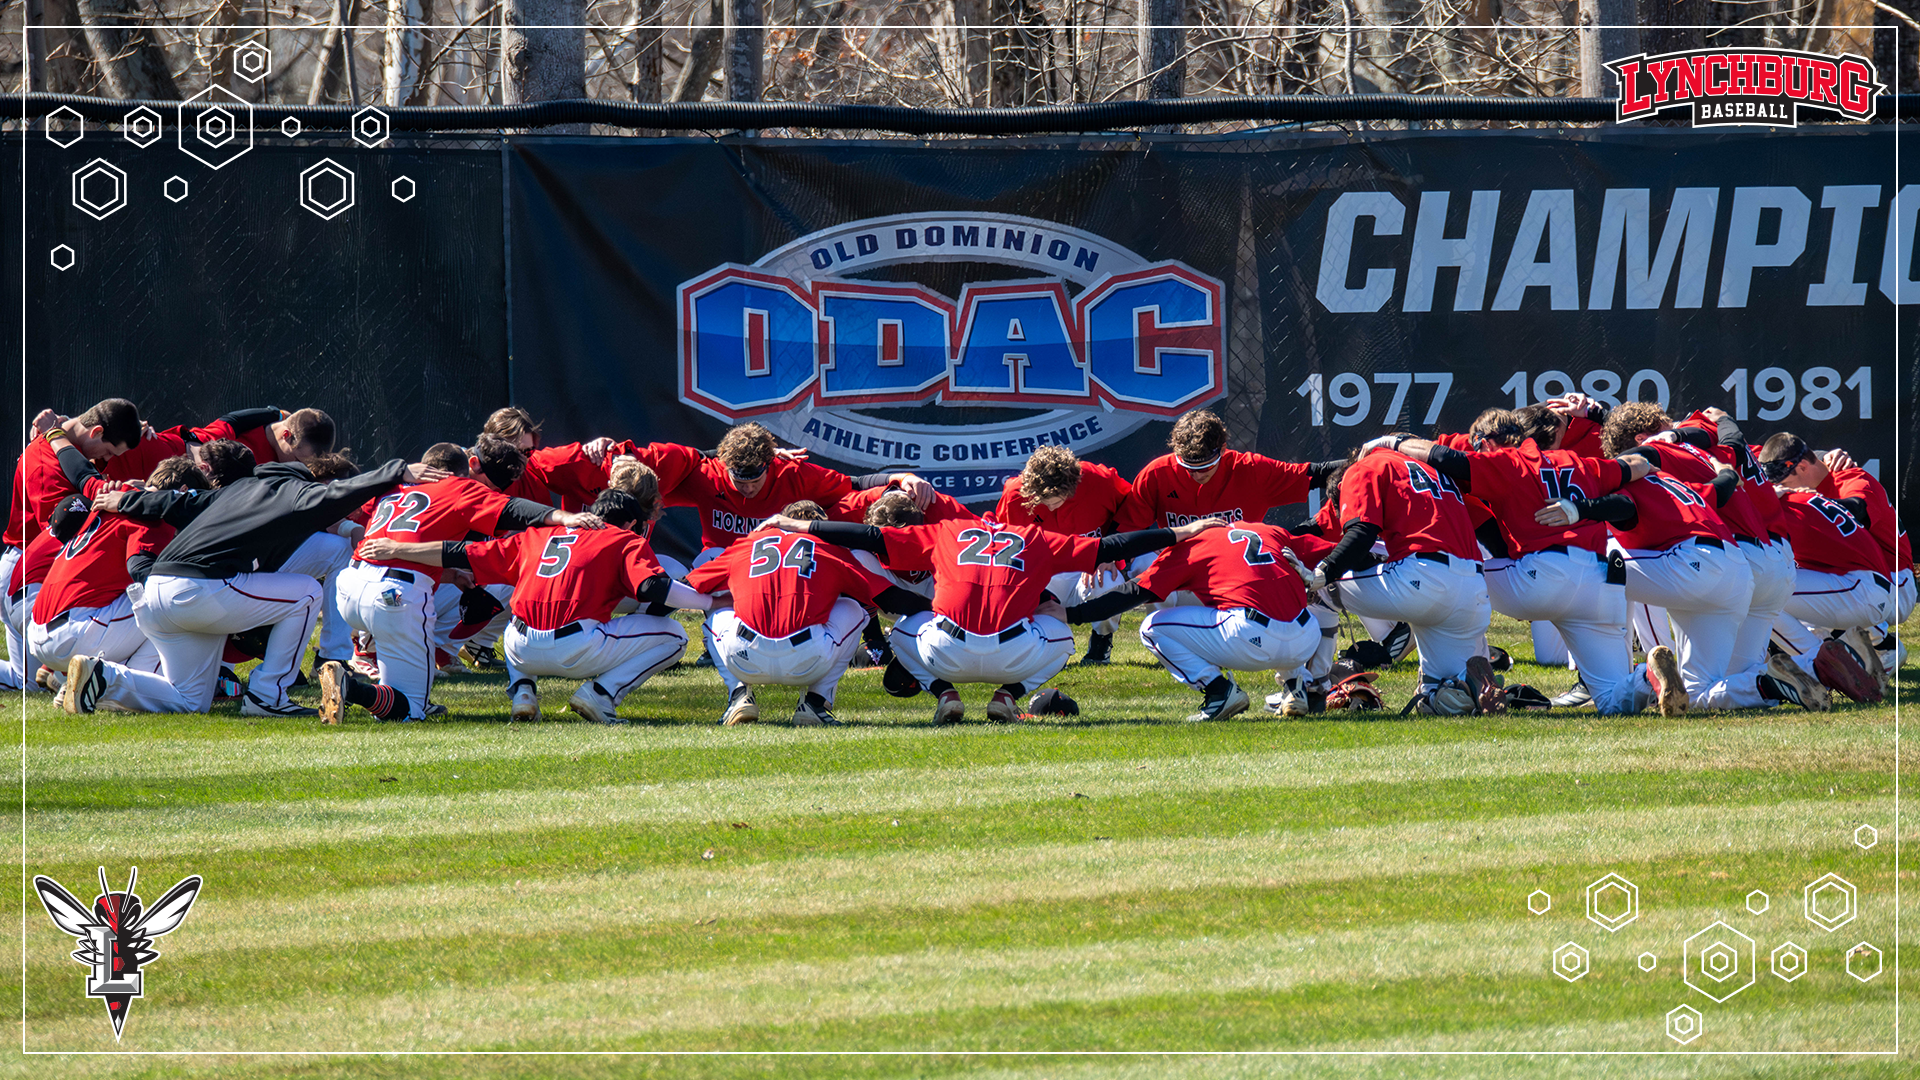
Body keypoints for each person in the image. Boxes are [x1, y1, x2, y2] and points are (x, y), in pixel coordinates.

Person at [62, 448, 446, 717]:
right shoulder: (291, 491)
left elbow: (173, 504)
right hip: (199, 589)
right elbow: (337, 493)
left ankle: (103, 675)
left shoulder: (234, 489)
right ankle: (268, 696)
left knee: (190, 699)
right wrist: (395, 470)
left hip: (156, 594)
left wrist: (123, 502)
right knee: (306, 593)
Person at [764, 511, 1223, 723]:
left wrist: (801, 526)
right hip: (1017, 653)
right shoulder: (1036, 537)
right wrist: (1182, 531)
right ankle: (1008, 695)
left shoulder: (947, 531)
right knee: (1062, 634)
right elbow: (1112, 548)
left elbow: (871, 536)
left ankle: (944, 693)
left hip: (946, 649)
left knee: (905, 631)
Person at [346, 484, 700, 724]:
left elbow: (462, 552)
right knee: (673, 635)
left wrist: (397, 549)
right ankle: (600, 695)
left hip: (519, 648)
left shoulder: (536, 535)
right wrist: (707, 600)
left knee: (516, 609)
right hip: (577, 647)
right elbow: (654, 586)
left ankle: (523, 691)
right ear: (632, 524)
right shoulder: (623, 538)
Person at [1390, 407, 1651, 715]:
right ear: (1554, 435)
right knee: (1612, 700)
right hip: (1597, 581)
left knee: (1458, 582)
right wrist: (1583, 506)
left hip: (1539, 577)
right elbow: (1640, 462)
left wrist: (1392, 443)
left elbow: (1446, 459)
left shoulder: (1512, 461)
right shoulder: (1582, 462)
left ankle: (1462, 681)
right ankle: (1649, 677)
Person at [332, 435, 607, 721]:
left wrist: (450, 575)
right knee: (412, 710)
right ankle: (350, 688)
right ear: (463, 470)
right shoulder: (458, 486)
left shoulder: (395, 484)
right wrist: (562, 517)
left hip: (350, 585)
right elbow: (513, 510)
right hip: (395, 595)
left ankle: (366, 659)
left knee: (402, 685)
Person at [685, 501, 932, 726]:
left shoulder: (747, 543)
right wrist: (939, 609)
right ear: (817, 526)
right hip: (808, 660)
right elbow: (889, 598)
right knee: (854, 609)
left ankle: (738, 695)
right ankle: (816, 703)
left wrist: (657, 595)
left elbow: (690, 584)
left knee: (715, 607)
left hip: (744, 659)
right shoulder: (829, 548)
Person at [1064, 521, 1331, 721]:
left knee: (1152, 627)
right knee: (1282, 599)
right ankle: (1296, 686)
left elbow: (1133, 593)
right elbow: (1333, 549)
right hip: (1307, 638)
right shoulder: (1269, 530)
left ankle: (1219, 692)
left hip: (1249, 639)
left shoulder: (1193, 546)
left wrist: (1074, 614)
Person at [1310, 437, 1498, 714]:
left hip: (1423, 579)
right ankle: (1459, 687)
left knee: (1318, 589)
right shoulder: (1431, 470)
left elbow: (1360, 534)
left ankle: (1311, 688)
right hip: (1472, 589)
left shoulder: (1360, 470)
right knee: (1434, 695)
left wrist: (1323, 571)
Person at [30, 456, 208, 687]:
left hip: (39, 628)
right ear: (183, 490)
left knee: (142, 596)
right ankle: (116, 688)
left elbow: (82, 473)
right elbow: (141, 570)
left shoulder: (117, 492)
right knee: (171, 602)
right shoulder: (156, 517)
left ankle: (73, 680)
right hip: (74, 633)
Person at [1759, 433, 1894, 703]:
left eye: (1782, 483)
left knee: (1761, 594)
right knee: (1778, 583)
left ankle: (1828, 667)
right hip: (1861, 584)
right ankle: (1874, 647)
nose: (1780, 488)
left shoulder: (1839, 479)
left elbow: (1858, 509)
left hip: (1886, 580)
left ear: (1802, 467)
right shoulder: (1805, 496)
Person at [994, 446, 1133, 665]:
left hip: (1090, 565)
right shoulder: (1014, 493)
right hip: (1045, 571)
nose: (1048, 506)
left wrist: (1111, 553)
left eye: (1055, 498)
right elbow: (1006, 545)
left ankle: (1102, 639)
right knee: (1023, 605)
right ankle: (1042, 648)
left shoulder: (1099, 479)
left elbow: (1134, 508)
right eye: (1041, 499)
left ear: (1073, 483)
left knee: (1108, 583)